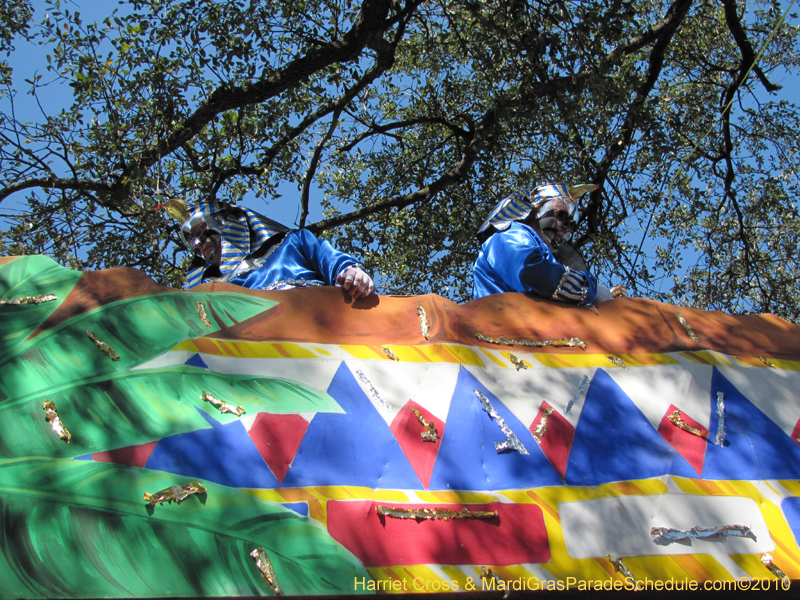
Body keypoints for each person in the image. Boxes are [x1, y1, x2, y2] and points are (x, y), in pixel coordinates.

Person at [178, 200, 374, 298]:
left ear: (225, 223)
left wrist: (352, 273)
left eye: (201, 231)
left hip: (321, 325)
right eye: (191, 241)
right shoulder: (209, 291)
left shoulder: (292, 242)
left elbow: (331, 260)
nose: (199, 243)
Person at [472, 183, 604, 303]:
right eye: (562, 216)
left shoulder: (546, 256)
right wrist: (589, 288)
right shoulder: (507, 234)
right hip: (500, 324)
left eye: (571, 224)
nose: (567, 228)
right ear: (538, 210)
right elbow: (529, 271)